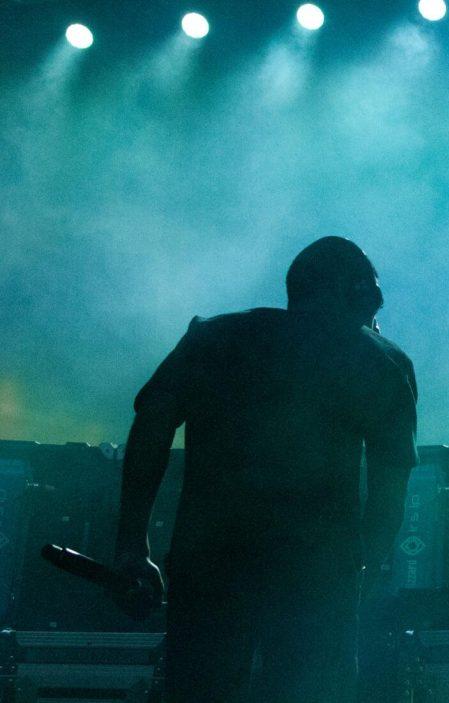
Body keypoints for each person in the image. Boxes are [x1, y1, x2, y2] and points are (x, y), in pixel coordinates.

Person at [113, 236, 418, 703]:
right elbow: (389, 489)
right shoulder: (382, 362)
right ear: (356, 293)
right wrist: (367, 570)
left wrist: (133, 545)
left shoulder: (213, 338)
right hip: (318, 580)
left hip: (210, 567)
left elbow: (152, 420)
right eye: (372, 295)